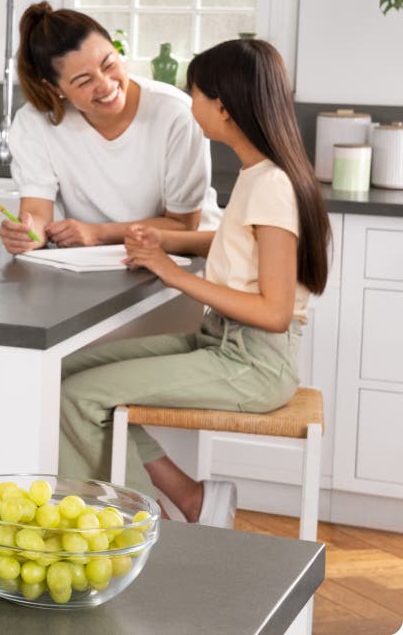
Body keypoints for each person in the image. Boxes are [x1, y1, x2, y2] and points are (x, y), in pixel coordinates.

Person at [57, 38, 330, 527]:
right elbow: (235, 245)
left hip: (253, 364)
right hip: (223, 344)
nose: (189, 104)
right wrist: (161, 243)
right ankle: (185, 501)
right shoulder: (258, 173)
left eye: (195, 94)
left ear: (222, 107)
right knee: (63, 375)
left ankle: (141, 530)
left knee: (81, 396)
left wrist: (172, 274)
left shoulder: (271, 184)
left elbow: (274, 311)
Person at [0, 3, 219, 253]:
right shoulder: (34, 123)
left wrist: (97, 234)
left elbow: (183, 225)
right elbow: (37, 213)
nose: (105, 85)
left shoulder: (175, 113)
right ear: (54, 89)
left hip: (188, 260)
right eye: (84, 81)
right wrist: (28, 234)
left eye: (109, 64)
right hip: (94, 264)